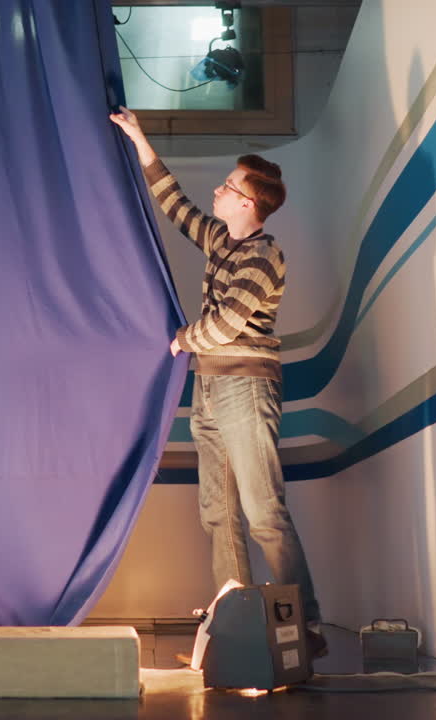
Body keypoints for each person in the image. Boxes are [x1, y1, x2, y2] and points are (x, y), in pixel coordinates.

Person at [109, 106, 326, 658]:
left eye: (229, 187)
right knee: (219, 514)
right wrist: (139, 139)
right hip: (208, 389)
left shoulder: (263, 253)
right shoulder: (220, 240)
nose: (220, 192)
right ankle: (238, 623)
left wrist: (183, 338)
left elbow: (228, 322)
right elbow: (173, 203)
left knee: (264, 513)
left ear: (250, 204)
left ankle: (307, 627)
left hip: (245, 389)